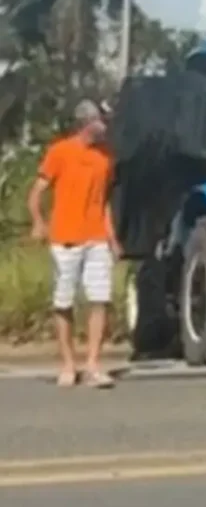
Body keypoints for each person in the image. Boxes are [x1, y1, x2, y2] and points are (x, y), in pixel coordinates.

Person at [27, 99, 121, 388]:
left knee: (99, 298)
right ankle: (68, 364)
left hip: (97, 238)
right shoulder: (60, 152)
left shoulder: (106, 157)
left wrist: (112, 237)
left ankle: (93, 364)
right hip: (65, 237)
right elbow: (36, 193)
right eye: (101, 120)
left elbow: (103, 201)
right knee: (64, 301)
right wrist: (38, 223)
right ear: (87, 123)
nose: (105, 125)